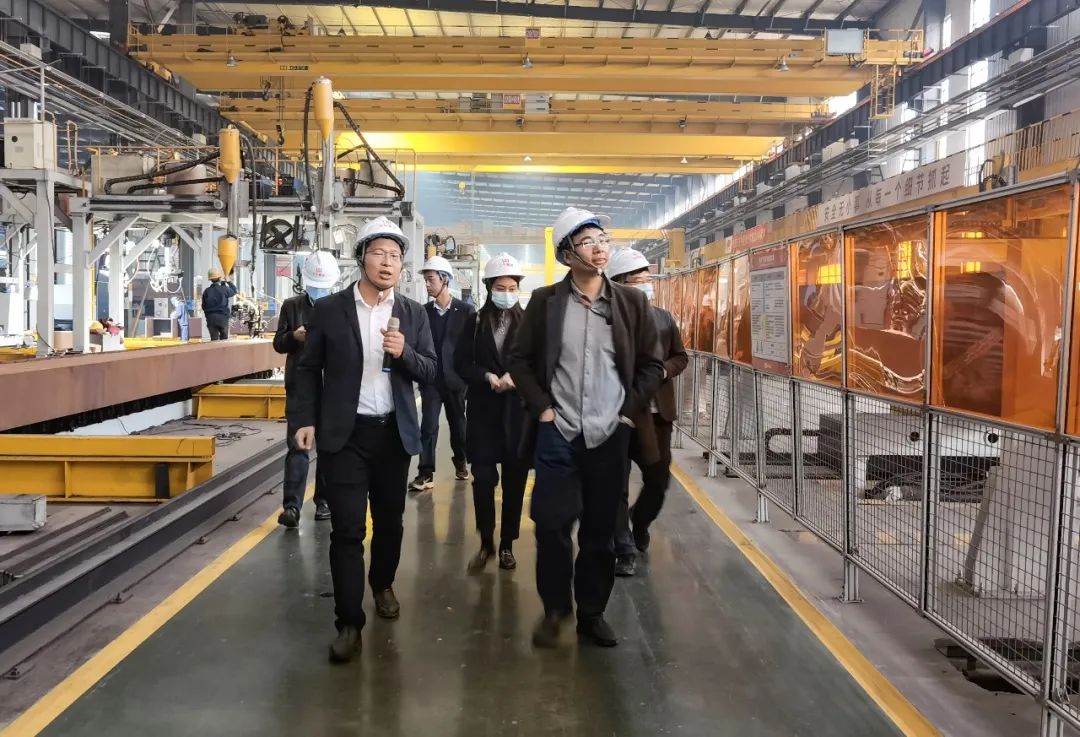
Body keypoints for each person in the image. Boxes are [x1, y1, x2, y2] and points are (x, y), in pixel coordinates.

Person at [508, 207, 664, 649]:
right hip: (558, 431)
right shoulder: (545, 303)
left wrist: (628, 413)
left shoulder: (631, 303)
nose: (599, 248)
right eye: (587, 242)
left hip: (609, 433)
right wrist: (542, 407)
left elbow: (652, 364)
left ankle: (591, 613)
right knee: (551, 524)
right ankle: (556, 608)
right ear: (567, 254)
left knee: (599, 532)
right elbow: (519, 360)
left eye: (602, 240)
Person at [289, 216, 437, 664]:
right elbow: (308, 369)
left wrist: (404, 353)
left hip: (393, 435)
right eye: (379, 253)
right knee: (348, 530)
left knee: (390, 523)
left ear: (402, 266)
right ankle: (349, 622)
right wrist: (304, 419)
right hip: (346, 435)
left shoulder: (413, 312)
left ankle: (383, 584)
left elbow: (431, 370)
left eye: (395, 256)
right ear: (361, 259)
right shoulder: (330, 310)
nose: (387, 262)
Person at [606, 248, 688, 578]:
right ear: (618, 285)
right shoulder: (606, 321)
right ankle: (623, 548)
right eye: (636, 280)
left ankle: (639, 522)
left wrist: (663, 370)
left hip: (656, 416)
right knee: (615, 484)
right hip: (617, 415)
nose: (644, 285)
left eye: (647, 279)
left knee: (658, 479)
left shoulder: (664, 318)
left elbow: (680, 357)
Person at [454, 253, 531, 574]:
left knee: (515, 483)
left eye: (512, 288)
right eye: (501, 287)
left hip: (517, 416)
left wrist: (516, 377)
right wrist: (486, 375)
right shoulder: (474, 322)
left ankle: (507, 544)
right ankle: (487, 542)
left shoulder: (530, 323)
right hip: (484, 414)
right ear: (489, 288)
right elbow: (460, 363)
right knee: (483, 480)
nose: (507, 293)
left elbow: (539, 364)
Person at [273, 250, 339, 529]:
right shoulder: (291, 306)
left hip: (332, 387)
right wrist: (294, 336)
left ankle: (324, 501)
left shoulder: (340, 307)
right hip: (301, 387)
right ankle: (292, 507)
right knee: (298, 446)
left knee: (329, 447)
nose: (318, 292)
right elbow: (279, 344)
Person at [410, 255, 476, 491]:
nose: (427, 284)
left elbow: (472, 347)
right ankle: (425, 472)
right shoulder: (423, 312)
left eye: (431, 279)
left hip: (456, 381)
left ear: (445, 279)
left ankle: (461, 462)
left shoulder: (466, 311)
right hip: (431, 381)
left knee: (459, 426)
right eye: (426, 280)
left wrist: (468, 378)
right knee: (428, 426)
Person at [201, 267, 237, 341]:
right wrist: (228, 282)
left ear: (210, 279)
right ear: (219, 278)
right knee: (224, 340)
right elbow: (234, 291)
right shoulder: (224, 289)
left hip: (211, 318)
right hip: (222, 317)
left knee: (214, 340)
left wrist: (208, 315)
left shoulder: (207, 291)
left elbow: (203, 306)